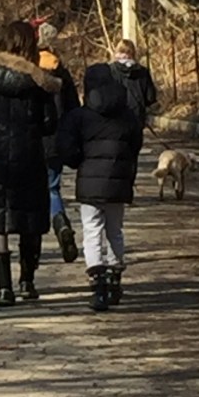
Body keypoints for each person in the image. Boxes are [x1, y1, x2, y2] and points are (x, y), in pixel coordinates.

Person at [0, 21, 59, 307]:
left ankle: (3, 289)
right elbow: (49, 123)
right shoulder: (38, 82)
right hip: (29, 158)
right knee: (29, 221)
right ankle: (27, 282)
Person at [56, 63, 143, 312]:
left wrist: (78, 161)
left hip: (90, 183)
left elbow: (66, 147)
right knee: (115, 230)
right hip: (119, 181)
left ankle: (98, 284)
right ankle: (115, 278)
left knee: (92, 230)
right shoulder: (128, 115)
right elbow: (135, 145)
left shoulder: (80, 116)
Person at [37, 23, 81, 262]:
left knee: (31, 192)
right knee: (53, 188)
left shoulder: (28, 70)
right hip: (57, 139)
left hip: (33, 140)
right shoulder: (61, 71)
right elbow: (74, 108)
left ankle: (32, 247)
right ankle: (61, 223)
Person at [109, 37, 157, 128]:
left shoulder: (110, 70)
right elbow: (150, 97)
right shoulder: (142, 71)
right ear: (133, 53)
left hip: (116, 117)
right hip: (137, 115)